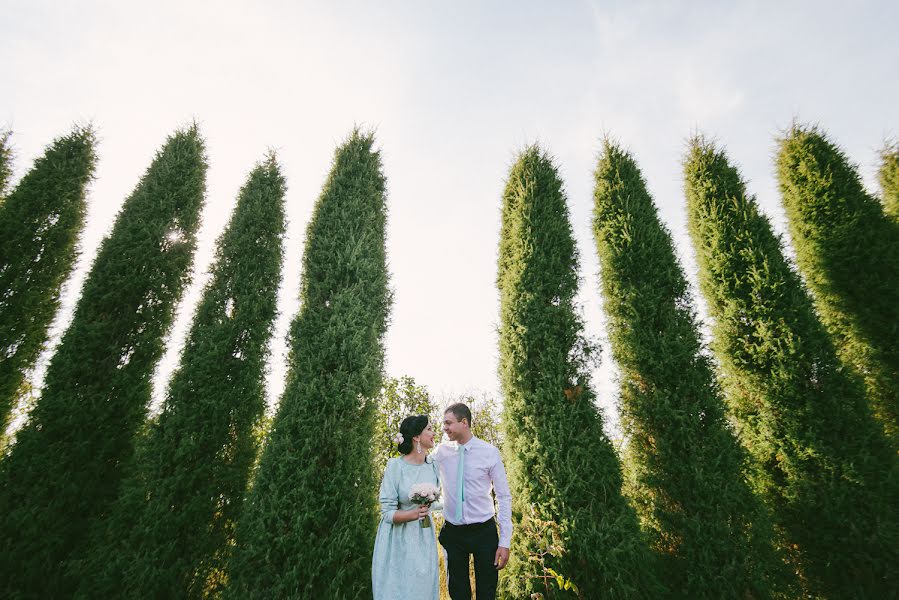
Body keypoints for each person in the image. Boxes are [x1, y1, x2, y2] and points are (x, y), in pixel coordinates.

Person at [434, 403, 512, 600]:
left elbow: (503, 496)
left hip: (484, 532)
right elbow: (419, 465)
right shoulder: (441, 452)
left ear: (464, 422)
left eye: (448, 423)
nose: (444, 428)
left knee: (487, 592)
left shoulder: (489, 452)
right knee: (458, 594)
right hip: (453, 532)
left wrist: (504, 542)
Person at [372, 415, 442, 600]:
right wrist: (412, 514)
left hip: (424, 537)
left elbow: (438, 500)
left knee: (423, 589)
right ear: (416, 437)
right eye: (429, 429)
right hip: (398, 540)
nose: (434, 433)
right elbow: (386, 512)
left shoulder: (433, 465)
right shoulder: (396, 466)